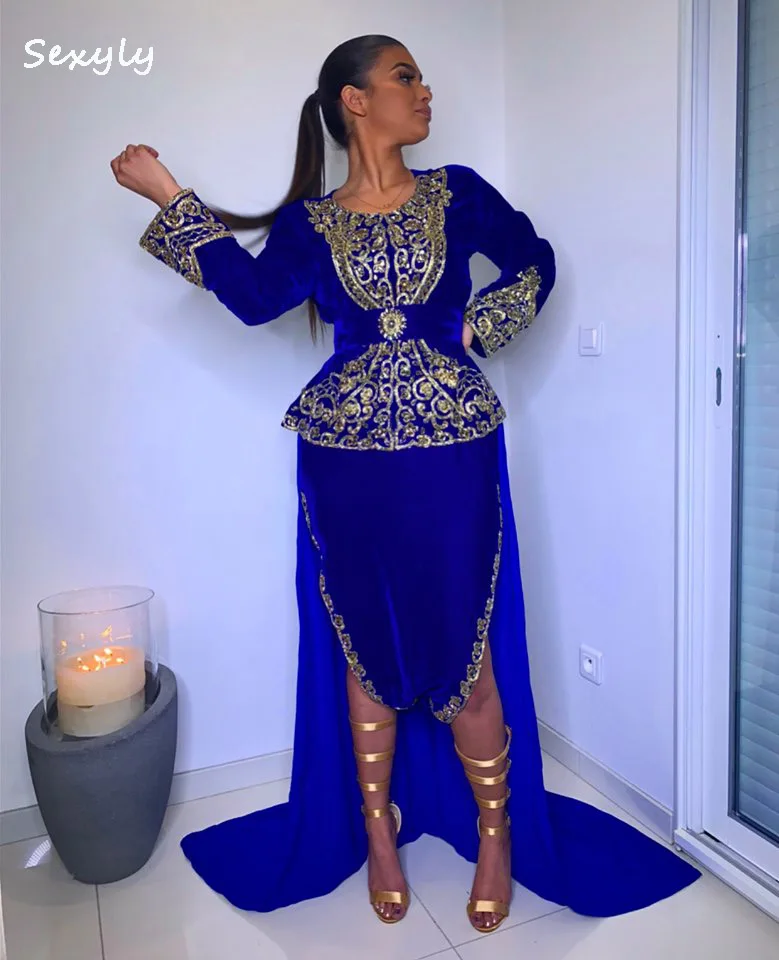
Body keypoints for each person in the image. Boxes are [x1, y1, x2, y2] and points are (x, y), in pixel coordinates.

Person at [112, 34, 700, 936]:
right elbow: (255, 298)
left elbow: (534, 258)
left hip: (452, 449)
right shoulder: (310, 224)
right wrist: (170, 196)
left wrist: (477, 327)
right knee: (363, 641)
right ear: (354, 100)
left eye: (421, 76)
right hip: (344, 459)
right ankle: (378, 835)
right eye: (404, 76)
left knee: (467, 644)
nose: (424, 91)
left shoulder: (457, 193)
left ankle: (496, 837)